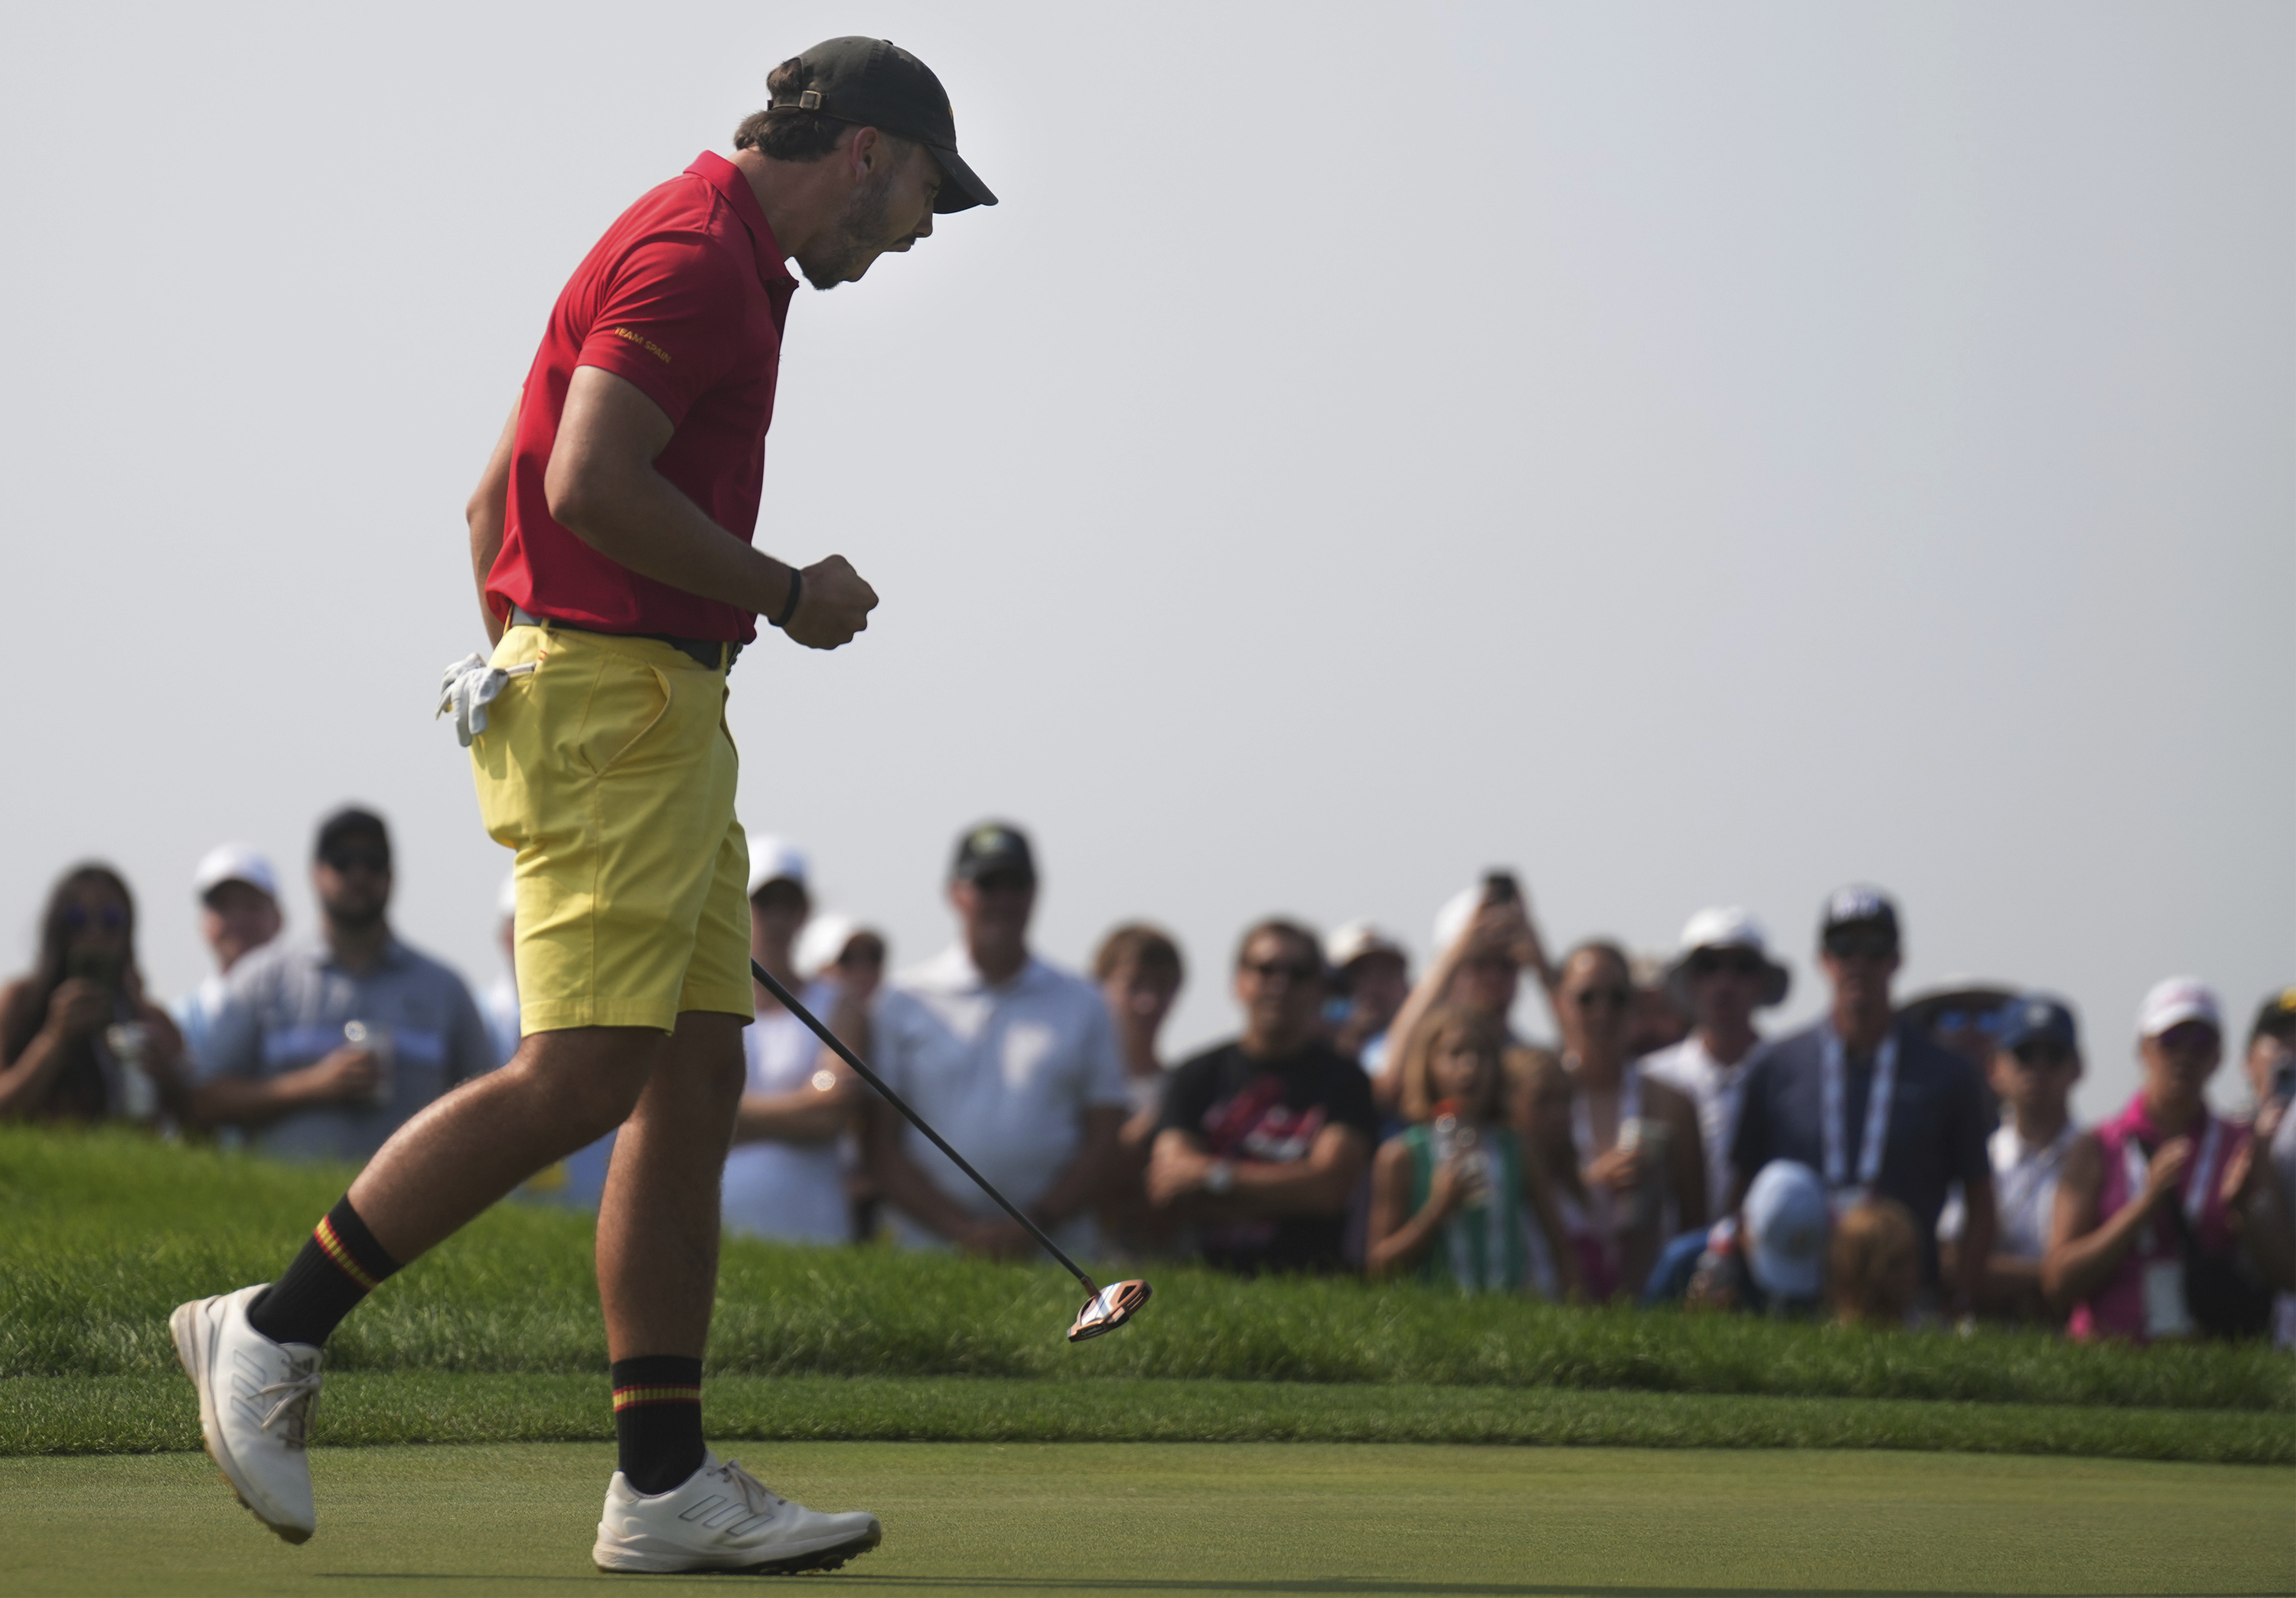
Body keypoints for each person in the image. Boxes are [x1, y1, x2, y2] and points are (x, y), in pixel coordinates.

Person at [169, 38, 993, 1568]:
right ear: (869, 152)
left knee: (690, 1081)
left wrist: (541, 685)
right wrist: (783, 593)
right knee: (586, 1075)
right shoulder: (695, 258)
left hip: (640, 706)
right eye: (929, 194)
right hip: (625, 698)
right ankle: (270, 1332)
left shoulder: (703, 247)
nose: (924, 231)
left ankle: (663, 1481)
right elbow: (585, 488)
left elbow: (498, 500)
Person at [1728, 886, 1995, 1316]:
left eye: (1874, 947)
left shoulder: (1948, 1074)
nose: (1859, 962)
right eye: (1843, 946)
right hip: (1797, 1295)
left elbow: (1981, 1201)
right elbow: (1742, 1194)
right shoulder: (1776, 1066)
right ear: (1822, 959)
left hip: (1909, 1299)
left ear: (1897, 959)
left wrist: (1959, 1299)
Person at [865, 823, 1128, 1259]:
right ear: (955, 894)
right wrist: (961, 1230)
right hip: (927, 1251)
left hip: (1054, 1253)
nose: (1003, 900)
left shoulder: (1085, 1002)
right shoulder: (901, 1001)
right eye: (987, 885)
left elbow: (1103, 1137)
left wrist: (1034, 1225)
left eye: (1016, 885)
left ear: (1035, 893)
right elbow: (879, 1142)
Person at [189, 808, 494, 1163]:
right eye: (342, 861)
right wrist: (314, 1085)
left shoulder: (445, 989)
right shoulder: (262, 978)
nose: (359, 874)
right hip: (286, 1212)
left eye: (373, 861)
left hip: (413, 1216)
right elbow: (204, 1102)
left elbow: (489, 1110)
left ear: (392, 876)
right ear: (316, 874)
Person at [2046, 980, 2296, 1342]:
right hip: (2104, 1354)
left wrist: (2246, 1210)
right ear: (2143, 1049)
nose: (2185, 1057)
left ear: (2218, 1056)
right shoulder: (2099, 1145)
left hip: (2205, 1360)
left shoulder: (2241, 1145)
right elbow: (2058, 1282)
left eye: (2200, 1043)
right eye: (2170, 1041)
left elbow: (2287, 1276)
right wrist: (2144, 1206)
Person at [1147, 919, 1381, 1275]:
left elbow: (1328, 1190)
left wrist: (1215, 1179)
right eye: (1265, 969)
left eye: (1298, 972)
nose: (1280, 983)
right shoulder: (1194, 1074)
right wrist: (1288, 1190)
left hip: (1314, 1286)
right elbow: (1171, 1186)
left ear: (1319, 988)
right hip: (1202, 1280)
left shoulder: (1347, 1080)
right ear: (1238, 982)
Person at [1365, 1006, 1577, 1296]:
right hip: (1429, 1320)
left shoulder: (1515, 1149)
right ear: (1428, 1066)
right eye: (1455, 1054)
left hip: (1508, 1320)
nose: (1470, 1066)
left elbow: (1560, 1246)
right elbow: (1378, 1266)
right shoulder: (1402, 1155)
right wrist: (1438, 1209)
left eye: (1482, 1054)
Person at [1542, 941, 1706, 1300]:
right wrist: (1591, 1182)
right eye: (1587, 998)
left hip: (1647, 1296)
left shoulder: (1672, 1103)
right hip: (1557, 1296)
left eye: (1617, 998)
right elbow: (1523, 1201)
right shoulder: (1539, 1098)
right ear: (1560, 1004)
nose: (1602, 1011)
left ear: (1632, 1007)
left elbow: (1696, 1224)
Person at [722, 840, 861, 1244]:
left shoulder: (839, 1004)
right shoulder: (702, 1004)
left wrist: (727, 1117)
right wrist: (799, 1109)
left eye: (790, 904)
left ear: (805, 912)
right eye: (764, 903)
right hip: (721, 1229)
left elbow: (832, 1110)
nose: (777, 918)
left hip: (814, 1229)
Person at [1, 863, 187, 1124]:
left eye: (111, 919)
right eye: (76, 919)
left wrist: (170, 1080)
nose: (94, 933)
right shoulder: (20, 1002)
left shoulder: (151, 1021)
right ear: (56, 929)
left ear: (128, 932)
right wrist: (54, 1038)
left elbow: (195, 1125)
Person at [1938, 994, 2083, 1324]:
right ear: (1995, 1069)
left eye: (2054, 1054)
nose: (2039, 1068)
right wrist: (2060, 1275)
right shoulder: (1977, 1158)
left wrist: (1997, 1273)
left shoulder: (2101, 1156)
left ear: (2078, 1068)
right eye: (2025, 1054)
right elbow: (1951, 1263)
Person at [1641, 907, 1791, 1221]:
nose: (1725, 983)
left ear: (1761, 981)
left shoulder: (1793, 1078)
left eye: (1742, 968)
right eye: (1708, 967)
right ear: (1689, 980)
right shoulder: (1652, 1081)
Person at [1374, 876, 1556, 1125]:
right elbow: (1391, 1079)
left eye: (1508, 964)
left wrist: (1544, 969)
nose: (1495, 977)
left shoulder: (1523, 1054)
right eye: (1480, 962)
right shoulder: (1409, 1047)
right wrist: (1454, 955)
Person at [173, 845, 285, 1078]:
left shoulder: (302, 1009)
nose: (238, 919)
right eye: (224, 907)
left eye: (251, 905)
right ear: (204, 923)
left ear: (278, 918)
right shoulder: (179, 1020)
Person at [2242, 989, 2296, 1345]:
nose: (2291, 1051)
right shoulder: (2226, 1133)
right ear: (2248, 1061)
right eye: (2279, 1038)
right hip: (2240, 1313)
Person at [1322, 920, 1410, 1071]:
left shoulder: (1424, 1050)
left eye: (1386, 973)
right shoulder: (1299, 1049)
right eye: (1358, 974)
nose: (1373, 988)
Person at [1831, 1197, 1922, 1329]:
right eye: (1895, 1264)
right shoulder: (1832, 1342)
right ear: (1859, 1268)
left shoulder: (1925, 1332)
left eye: (1913, 1260)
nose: (1911, 1274)